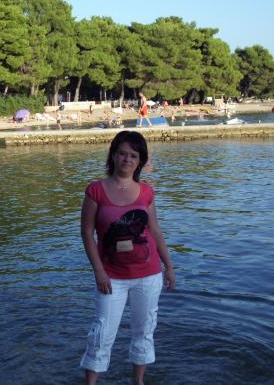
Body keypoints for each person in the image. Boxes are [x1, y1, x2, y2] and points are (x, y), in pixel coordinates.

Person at [79, 131, 175, 385]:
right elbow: (87, 233)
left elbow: (155, 230)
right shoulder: (96, 191)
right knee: (102, 333)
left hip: (149, 274)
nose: (127, 159)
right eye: (122, 153)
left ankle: (138, 380)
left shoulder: (146, 192)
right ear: (113, 155)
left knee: (145, 330)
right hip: (111, 277)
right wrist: (98, 271)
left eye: (133, 155)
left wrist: (169, 266)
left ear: (140, 160)